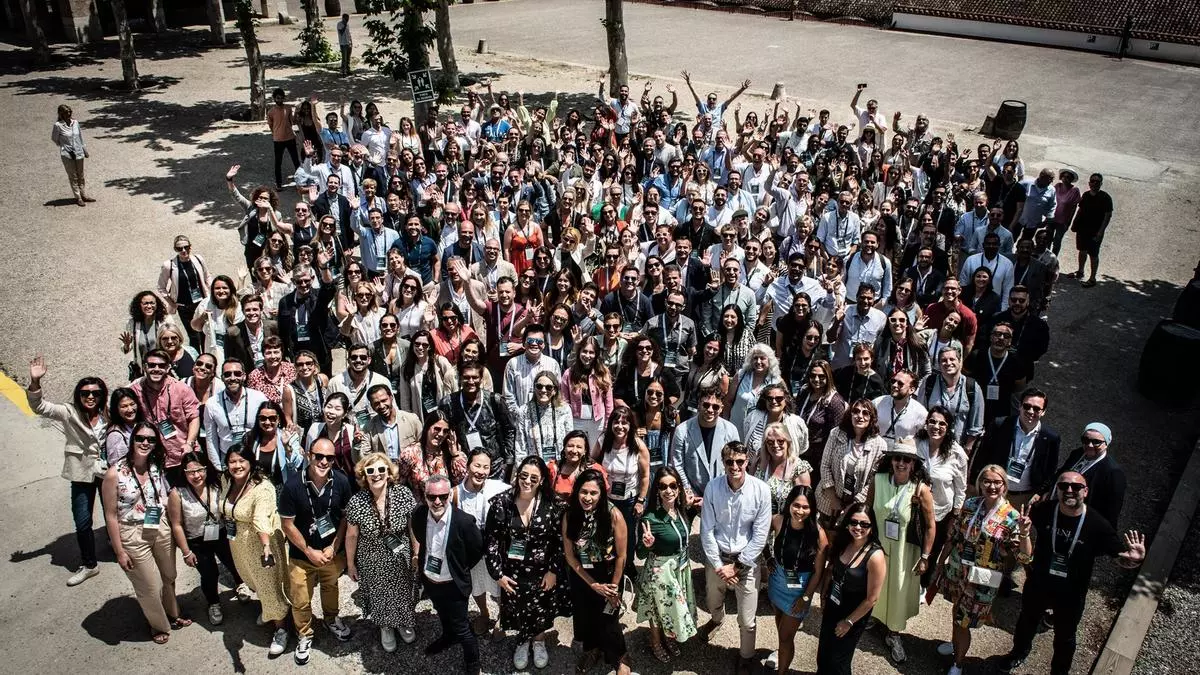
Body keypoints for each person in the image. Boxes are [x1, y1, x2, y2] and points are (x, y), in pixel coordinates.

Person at [1001, 471, 1146, 675]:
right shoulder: (1043, 510)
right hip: (1039, 583)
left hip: (1071, 593)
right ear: (1057, 490)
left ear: (1085, 492)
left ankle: (1059, 672)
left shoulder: (1097, 524)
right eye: (1063, 486)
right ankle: (1018, 653)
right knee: (1026, 622)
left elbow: (1119, 557)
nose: (1069, 490)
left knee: (1065, 637)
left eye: (1076, 487)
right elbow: (1021, 531)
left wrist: (1134, 559)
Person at [933, 463, 1033, 675]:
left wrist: (1024, 533)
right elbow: (954, 536)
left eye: (997, 482)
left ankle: (958, 664)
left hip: (982, 580)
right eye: (986, 481)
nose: (992, 486)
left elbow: (1024, 556)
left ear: (1004, 486)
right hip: (958, 570)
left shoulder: (1012, 517)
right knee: (957, 611)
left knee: (963, 621)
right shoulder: (971, 504)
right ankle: (955, 643)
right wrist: (940, 564)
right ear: (980, 483)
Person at [24, 356, 109, 586]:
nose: (90, 397)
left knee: (114, 515)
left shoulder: (109, 414)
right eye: (85, 393)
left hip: (107, 473)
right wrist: (35, 381)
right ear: (78, 395)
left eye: (95, 393)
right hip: (81, 473)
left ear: (102, 395)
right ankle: (89, 565)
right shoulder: (68, 411)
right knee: (82, 521)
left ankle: (117, 545)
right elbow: (39, 406)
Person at [102, 423, 186, 643]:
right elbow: (110, 516)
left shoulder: (155, 465)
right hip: (132, 532)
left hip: (159, 525)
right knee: (149, 585)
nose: (145, 443)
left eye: (151, 439)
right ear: (132, 440)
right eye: (140, 438)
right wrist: (119, 551)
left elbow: (163, 496)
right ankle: (158, 625)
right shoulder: (114, 474)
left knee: (169, 575)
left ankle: (173, 613)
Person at [484, 456, 566, 671]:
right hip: (513, 571)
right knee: (517, 608)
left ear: (542, 480)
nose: (527, 481)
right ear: (517, 475)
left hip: (543, 571)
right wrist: (497, 574)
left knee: (541, 607)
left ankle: (538, 640)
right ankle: (522, 640)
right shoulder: (502, 502)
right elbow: (491, 540)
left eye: (533, 478)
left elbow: (561, 541)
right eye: (523, 475)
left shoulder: (553, 504)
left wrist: (554, 571)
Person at [696, 441, 772, 673]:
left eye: (740, 461)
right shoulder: (712, 488)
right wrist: (719, 566)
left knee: (747, 620)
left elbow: (760, 535)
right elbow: (707, 530)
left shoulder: (761, 490)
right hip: (718, 559)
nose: (735, 466)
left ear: (747, 461)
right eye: (729, 461)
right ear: (723, 462)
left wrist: (737, 566)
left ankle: (746, 656)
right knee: (712, 601)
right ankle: (717, 619)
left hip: (746, 561)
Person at [279, 438, 353, 663]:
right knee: (301, 598)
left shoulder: (341, 481)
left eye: (329, 458)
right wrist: (309, 550)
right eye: (318, 456)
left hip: (330, 554)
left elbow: (345, 517)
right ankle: (304, 633)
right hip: (302, 556)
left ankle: (331, 620)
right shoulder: (292, 485)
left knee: (331, 588)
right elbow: (287, 524)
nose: (323, 462)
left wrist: (334, 546)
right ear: (309, 455)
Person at [866, 439, 935, 664]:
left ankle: (893, 633)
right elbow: (867, 510)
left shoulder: (921, 489)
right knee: (877, 584)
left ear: (914, 464)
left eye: (907, 459)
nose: (901, 463)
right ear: (891, 460)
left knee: (897, 589)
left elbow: (930, 526)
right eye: (897, 458)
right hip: (879, 548)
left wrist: (925, 557)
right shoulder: (878, 481)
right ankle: (875, 617)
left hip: (905, 552)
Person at [220, 442, 292, 657]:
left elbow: (261, 519)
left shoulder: (263, 487)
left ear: (251, 462)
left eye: (241, 460)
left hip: (261, 545)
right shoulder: (226, 480)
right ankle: (270, 610)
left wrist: (266, 546)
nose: (237, 465)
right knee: (254, 581)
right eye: (232, 461)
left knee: (269, 585)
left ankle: (281, 628)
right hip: (238, 544)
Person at [413, 474, 486, 675]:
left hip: (453, 584)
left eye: (443, 497)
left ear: (449, 495)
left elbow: (476, 549)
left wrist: (459, 568)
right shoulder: (419, 515)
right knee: (442, 613)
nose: (437, 501)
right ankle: (448, 637)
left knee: (462, 627)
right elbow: (420, 537)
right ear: (425, 496)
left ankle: (473, 663)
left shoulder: (464, 522)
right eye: (432, 497)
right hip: (431, 580)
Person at [345, 450, 418, 650]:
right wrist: (350, 564)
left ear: (388, 472)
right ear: (364, 475)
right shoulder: (357, 501)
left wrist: (416, 553)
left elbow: (413, 527)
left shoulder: (403, 494)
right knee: (379, 594)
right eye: (370, 471)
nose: (376, 474)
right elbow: (351, 535)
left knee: (402, 591)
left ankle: (403, 621)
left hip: (400, 554)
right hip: (371, 557)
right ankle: (386, 626)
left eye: (380, 469)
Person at [563, 468, 633, 675]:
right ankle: (591, 649)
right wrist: (592, 584)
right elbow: (570, 555)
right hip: (581, 573)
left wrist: (613, 587)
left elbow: (622, 556)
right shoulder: (570, 515)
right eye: (584, 492)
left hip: (608, 574)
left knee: (609, 618)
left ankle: (620, 656)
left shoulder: (614, 515)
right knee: (585, 615)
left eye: (593, 493)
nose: (588, 497)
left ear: (602, 494)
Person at [167, 450, 242, 626]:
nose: (196, 475)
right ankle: (213, 603)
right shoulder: (177, 493)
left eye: (200, 470)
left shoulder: (217, 485)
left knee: (234, 562)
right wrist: (186, 552)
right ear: (184, 473)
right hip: (197, 540)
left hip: (220, 533)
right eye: (191, 472)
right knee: (209, 573)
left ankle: (241, 586)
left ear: (206, 469)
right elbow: (176, 525)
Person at [634, 465, 697, 663]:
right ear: (657, 490)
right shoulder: (650, 519)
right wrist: (647, 545)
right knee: (656, 610)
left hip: (680, 568)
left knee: (671, 608)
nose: (668, 490)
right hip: (660, 571)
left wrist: (690, 505)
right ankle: (655, 642)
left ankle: (668, 636)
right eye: (663, 486)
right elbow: (640, 553)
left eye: (673, 485)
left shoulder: (680, 511)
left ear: (679, 488)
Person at [815, 503, 886, 675]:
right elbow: (831, 569)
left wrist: (848, 622)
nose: (858, 527)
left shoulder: (875, 556)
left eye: (864, 524)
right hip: (833, 603)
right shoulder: (843, 542)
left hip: (854, 611)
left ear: (872, 526)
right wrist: (824, 596)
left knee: (839, 661)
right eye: (854, 522)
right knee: (824, 653)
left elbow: (872, 599)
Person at [764, 485, 828, 674]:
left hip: (799, 590)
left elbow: (818, 572)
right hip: (777, 582)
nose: (800, 511)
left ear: (812, 509)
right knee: (781, 629)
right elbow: (760, 537)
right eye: (796, 505)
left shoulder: (818, 534)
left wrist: (806, 597)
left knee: (785, 637)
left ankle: (782, 672)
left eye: (805, 507)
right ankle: (782, 658)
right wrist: (768, 557)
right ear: (789, 505)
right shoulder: (778, 521)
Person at [970, 388, 1061, 512]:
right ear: (1020, 406)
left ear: (1043, 412)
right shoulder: (999, 424)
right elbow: (982, 455)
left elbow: (1050, 470)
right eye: (1027, 406)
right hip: (993, 491)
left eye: (1036, 409)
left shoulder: (1050, 437)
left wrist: (1041, 492)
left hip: (1023, 497)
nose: (1031, 411)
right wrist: (973, 482)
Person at [452, 449, 511, 635]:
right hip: (471, 553)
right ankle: (484, 614)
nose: (481, 471)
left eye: (486, 467)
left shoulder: (499, 488)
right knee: (476, 586)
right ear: (468, 466)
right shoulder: (456, 493)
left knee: (499, 586)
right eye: (477, 465)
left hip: (495, 551)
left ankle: (502, 616)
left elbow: (519, 495)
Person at [915, 406, 969, 588]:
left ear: (948, 427)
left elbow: (961, 488)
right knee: (912, 548)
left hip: (940, 512)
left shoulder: (957, 454)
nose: (936, 427)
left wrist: (955, 515)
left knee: (931, 551)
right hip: (914, 507)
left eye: (942, 424)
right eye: (932, 421)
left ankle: (923, 586)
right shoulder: (916, 443)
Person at [440, 362, 517, 480]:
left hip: (495, 468)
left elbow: (509, 430)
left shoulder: (494, 400)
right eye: (466, 377)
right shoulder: (449, 403)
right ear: (460, 378)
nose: (471, 381)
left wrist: (509, 462)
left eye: (475, 377)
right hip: (463, 468)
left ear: (481, 379)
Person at [670, 386, 742, 512]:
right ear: (699, 405)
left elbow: (735, 465)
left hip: (722, 496)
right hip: (691, 499)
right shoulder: (682, 430)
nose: (710, 410)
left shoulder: (731, 430)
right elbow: (677, 465)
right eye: (706, 405)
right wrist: (689, 492)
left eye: (715, 407)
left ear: (721, 408)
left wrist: (715, 495)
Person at [1042, 422, 1126, 527]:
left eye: (1096, 442)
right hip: (1057, 511)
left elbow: (1111, 511)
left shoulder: (1113, 472)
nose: (1090, 445)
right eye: (1086, 440)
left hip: (1079, 522)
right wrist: (1044, 491)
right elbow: (1061, 473)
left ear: (1106, 443)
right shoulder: (1078, 454)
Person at [817, 399, 886, 525]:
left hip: (858, 506)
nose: (860, 416)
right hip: (828, 499)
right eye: (856, 411)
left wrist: (853, 505)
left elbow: (873, 480)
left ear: (872, 418)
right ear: (850, 414)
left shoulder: (880, 444)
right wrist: (833, 498)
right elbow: (825, 465)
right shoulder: (836, 433)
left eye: (865, 413)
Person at [917, 346, 985, 453]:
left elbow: (976, 424)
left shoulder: (972, 387)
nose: (948, 363)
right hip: (930, 446)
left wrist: (968, 448)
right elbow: (920, 417)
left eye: (952, 359)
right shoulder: (929, 383)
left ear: (960, 361)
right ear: (939, 364)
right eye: (944, 360)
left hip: (958, 448)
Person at [278, 259, 338, 375]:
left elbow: (329, 288)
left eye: (306, 281)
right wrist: (284, 353)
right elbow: (282, 331)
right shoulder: (285, 302)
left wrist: (324, 267)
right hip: (297, 349)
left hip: (319, 348)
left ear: (312, 279)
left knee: (323, 380)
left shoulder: (318, 296)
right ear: (293, 281)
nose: (303, 285)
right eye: (299, 282)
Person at [964, 320, 1030, 423]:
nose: (1001, 338)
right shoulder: (976, 355)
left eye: (1006, 336)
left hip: (1002, 411)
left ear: (1010, 341)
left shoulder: (1016, 362)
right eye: (997, 334)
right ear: (991, 337)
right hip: (975, 406)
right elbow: (964, 377)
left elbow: (1019, 388)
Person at [397, 411, 468, 502]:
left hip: (445, 506)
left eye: (445, 431)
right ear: (427, 428)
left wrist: (455, 455)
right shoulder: (410, 453)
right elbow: (400, 484)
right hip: (421, 507)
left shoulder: (452, 454)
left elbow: (462, 483)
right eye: (437, 429)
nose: (441, 434)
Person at [559, 339, 615, 443]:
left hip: (598, 421)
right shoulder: (569, 373)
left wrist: (608, 423)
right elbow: (564, 401)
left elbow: (609, 402)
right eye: (584, 351)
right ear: (579, 352)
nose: (587, 355)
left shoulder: (603, 372)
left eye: (591, 352)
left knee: (595, 450)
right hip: (576, 420)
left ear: (596, 354)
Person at [1068, 173, 1114, 288]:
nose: (1094, 183)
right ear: (1089, 183)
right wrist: (1074, 224)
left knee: (1093, 254)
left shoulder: (1105, 198)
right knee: (1082, 250)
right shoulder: (1086, 195)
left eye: (1097, 182)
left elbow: (1107, 216)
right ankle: (1080, 272)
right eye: (1092, 181)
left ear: (1101, 184)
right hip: (1082, 229)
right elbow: (1080, 210)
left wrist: (1100, 232)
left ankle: (1092, 278)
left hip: (1095, 231)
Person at [518, 371, 573, 464]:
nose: (543, 390)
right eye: (539, 386)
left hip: (559, 465)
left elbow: (570, 440)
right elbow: (520, 445)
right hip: (534, 466)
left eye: (548, 387)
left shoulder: (564, 409)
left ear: (555, 390)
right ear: (534, 388)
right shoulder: (524, 411)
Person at [548, 430, 609, 500]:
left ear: (585, 451)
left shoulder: (595, 469)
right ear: (564, 448)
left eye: (579, 447)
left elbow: (603, 495)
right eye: (570, 446)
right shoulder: (553, 468)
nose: (574, 451)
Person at [873, 369, 928, 445]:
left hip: (902, 451)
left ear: (911, 390)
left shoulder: (920, 412)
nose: (894, 385)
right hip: (878, 450)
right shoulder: (877, 403)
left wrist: (912, 442)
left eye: (900, 383)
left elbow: (924, 438)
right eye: (893, 381)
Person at [52, 103, 92, 205]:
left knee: (81, 175)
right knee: (73, 176)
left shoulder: (75, 123)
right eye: (66, 112)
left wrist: (84, 150)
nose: (69, 114)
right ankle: (78, 197)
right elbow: (55, 139)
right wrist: (64, 146)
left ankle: (83, 194)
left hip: (78, 152)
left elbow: (80, 137)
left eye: (70, 112)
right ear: (61, 114)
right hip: (67, 154)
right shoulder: (58, 125)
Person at [105, 386, 144, 466]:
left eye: (132, 404)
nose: (130, 409)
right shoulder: (115, 435)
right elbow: (118, 466)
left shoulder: (141, 424)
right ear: (116, 409)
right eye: (124, 406)